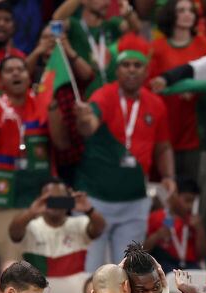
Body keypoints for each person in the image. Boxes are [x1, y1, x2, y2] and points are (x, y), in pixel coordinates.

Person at [51, 42, 173, 272]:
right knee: (90, 271)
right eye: (125, 65)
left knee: (129, 271)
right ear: (117, 71)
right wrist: (84, 118)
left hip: (135, 201)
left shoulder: (156, 104)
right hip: (95, 201)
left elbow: (164, 145)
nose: (131, 69)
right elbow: (88, 127)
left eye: (137, 65)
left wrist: (169, 175)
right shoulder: (104, 95)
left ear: (146, 72)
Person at [0, 56, 52, 266]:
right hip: (3, 199)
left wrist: (53, 109)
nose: (16, 73)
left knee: (44, 263)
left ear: (29, 77)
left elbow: (62, 143)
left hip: (41, 195)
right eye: (9, 70)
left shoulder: (42, 104)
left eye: (21, 69)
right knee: (10, 265)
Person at [8, 178, 105, 293]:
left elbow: (99, 229)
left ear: (68, 201)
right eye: (49, 199)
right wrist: (31, 212)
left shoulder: (79, 223)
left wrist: (89, 210)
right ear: (40, 200)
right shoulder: (31, 227)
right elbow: (13, 232)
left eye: (60, 199)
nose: (55, 203)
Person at [149, 0, 206, 180]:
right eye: (181, 10)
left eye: (191, 11)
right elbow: (151, 85)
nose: (187, 14)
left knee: (191, 184)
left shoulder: (204, 45)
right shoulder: (157, 48)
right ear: (171, 14)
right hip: (166, 120)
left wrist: (195, 90)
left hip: (194, 123)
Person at [144, 177, 206, 272]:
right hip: (165, 265)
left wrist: (199, 230)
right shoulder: (156, 217)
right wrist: (156, 236)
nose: (190, 206)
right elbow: (143, 251)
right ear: (174, 196)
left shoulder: (194, 221)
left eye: (193, 201)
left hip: (190, 266)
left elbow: (202, 256)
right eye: (187, 200)